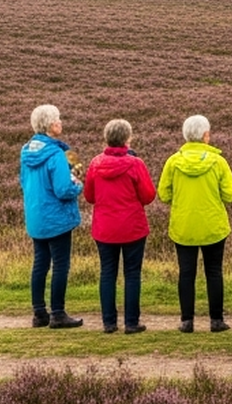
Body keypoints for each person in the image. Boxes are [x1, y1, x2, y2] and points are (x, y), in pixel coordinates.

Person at [157, 114, 232, 332]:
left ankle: (187, 321)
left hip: (183, 226)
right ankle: (216, 321)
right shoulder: (218, 162)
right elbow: (230, 194)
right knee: (214, 272)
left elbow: (163, 195)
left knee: (186, 273)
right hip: (213, 225)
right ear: (205, 136)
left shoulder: (173, 162)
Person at [83, 118, 157, 334]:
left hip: (104, 229)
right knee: (132, 274)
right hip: (132, 227)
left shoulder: (95, 164)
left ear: (107, 138)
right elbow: (149, 195)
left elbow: (89, 196)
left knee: (107, 273)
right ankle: (132, 323)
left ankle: (109, 323)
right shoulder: (136, 164)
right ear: (127, 139)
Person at [20, 104, 84, 329]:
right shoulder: (57, 154)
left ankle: (39, 313)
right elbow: (63, 190)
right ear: (49, 125)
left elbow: (23, 183)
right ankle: (58, 313)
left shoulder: (26, 150)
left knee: (40, 264)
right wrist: (78, 186)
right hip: (57, 219)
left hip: (36, 216)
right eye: (57, 119)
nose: (61, 122)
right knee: (60, 265)